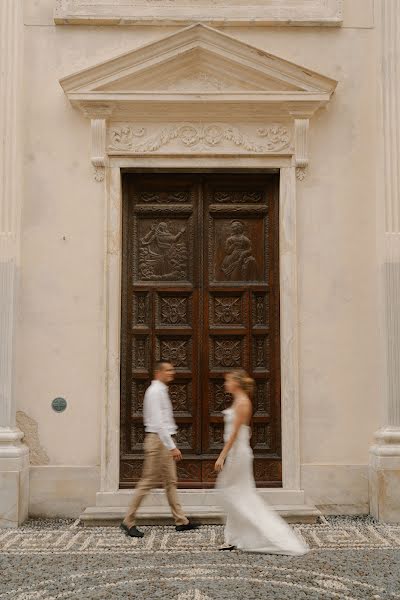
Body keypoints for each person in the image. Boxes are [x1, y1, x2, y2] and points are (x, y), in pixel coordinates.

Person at [215, 368, 308, 555]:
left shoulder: (242, 403)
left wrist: (222, 456)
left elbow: (234, 434)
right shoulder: (239, 400)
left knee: (237, 494)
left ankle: (272, 535)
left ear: (236, 383)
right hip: (237, 452)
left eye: (228, 380)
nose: (226, 384)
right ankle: (233, 538)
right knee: (235, 494)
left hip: (237, 453)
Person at [121, 360, 197, 538]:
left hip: (163, 440)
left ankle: (181, 521)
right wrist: (172, 447)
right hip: (158, 441)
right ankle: (128, 520)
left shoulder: (161, 390)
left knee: (171, 482)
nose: (172, 373)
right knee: (147, 482)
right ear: (158, 372)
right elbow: (158, 423)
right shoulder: (155, 392)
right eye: (168, 370)